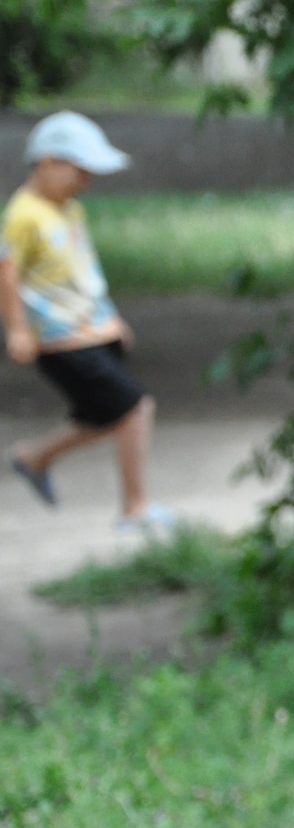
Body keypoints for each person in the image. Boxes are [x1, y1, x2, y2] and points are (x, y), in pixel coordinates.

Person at [2, 110, 174, 532]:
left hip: (91, 332)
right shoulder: (24, 214)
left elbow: (81, 272)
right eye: (78, 171)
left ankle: (34, 457)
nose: (86, 181)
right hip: (61, 340)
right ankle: (135, 507)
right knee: (135, 409)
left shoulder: (69, 210)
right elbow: (6, 272)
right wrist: (18, 330)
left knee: (104, 416)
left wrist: (110, 318)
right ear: (47, 163)